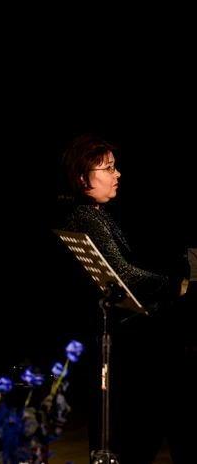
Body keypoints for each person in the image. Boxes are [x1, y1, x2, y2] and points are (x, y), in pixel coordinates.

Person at [55, 133, 193, 464]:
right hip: (125, 339)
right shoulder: (85, 215)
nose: (118, 175)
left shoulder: (93, 212)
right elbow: (124, 277)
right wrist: (180, 287)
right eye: (109, 168)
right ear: (81, 178)